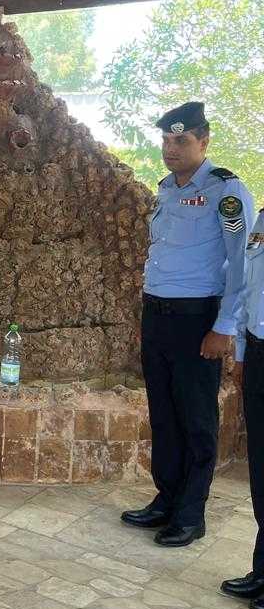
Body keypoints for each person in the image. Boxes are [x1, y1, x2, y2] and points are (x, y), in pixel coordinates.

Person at [122, 101, 254, 547]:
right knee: (164, 413)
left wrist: (225, 326)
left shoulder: (225, 190)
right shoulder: (166, 188)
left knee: (197, 419)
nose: (170, 148)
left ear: (204, 141)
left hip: (198, 318)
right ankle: (167, 498)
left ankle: (191, 514)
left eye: (181, 140)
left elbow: (240, 264)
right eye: (165, 140)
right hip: (157, 314)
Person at [221, 206, 264, 609]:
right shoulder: (261, 221)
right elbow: (252, 290)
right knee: (261, 472)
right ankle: (261, 571)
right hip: (259, 351)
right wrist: (242, 353)